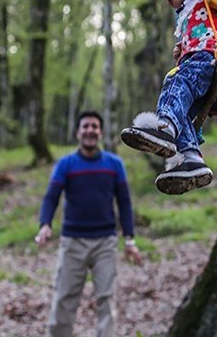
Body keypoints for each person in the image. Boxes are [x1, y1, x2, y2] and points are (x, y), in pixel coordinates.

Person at [120, 0, 217, 195]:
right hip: (207, 79)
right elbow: (197, 37)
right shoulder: (186, 12)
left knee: (175, 81)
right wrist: (182, 50)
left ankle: (164, 127)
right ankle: (191, 158)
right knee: (179, 101)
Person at [36, 111, 142, 337]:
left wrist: (130, 239)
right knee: (64, 300)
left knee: (107, 299)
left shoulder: (114, 164)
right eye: (85, 126)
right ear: (78, 132)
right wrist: (45, 224)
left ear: (100, 132)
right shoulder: (66, 164)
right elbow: (51, 196)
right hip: (72, 243)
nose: (90, 130)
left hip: (105, 243)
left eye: (94, 126)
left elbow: (124, 202)